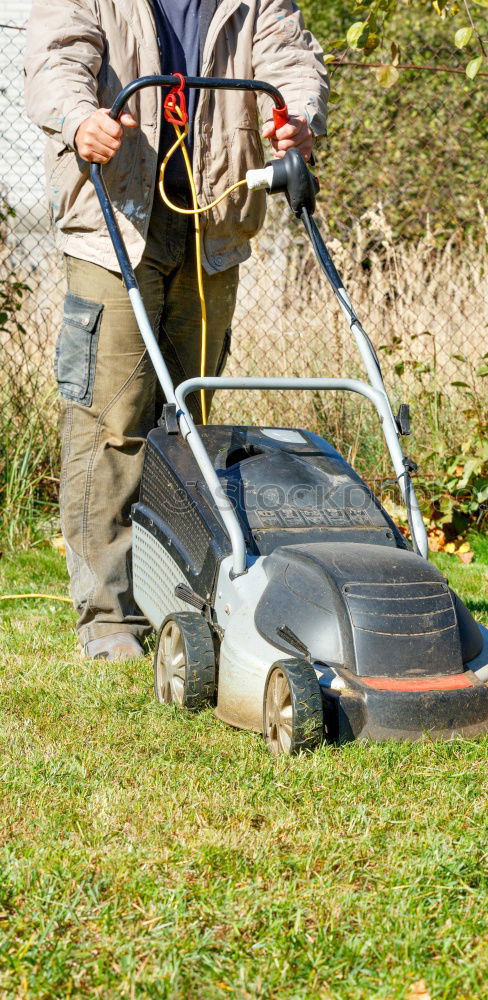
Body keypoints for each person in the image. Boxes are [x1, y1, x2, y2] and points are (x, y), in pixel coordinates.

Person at [24, 0, 328, 660]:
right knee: (111, 420)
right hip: (115, 220)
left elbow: (292, 61)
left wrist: (294, 117)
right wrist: (81, 121)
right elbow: (56, 60)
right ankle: (107, 617)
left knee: (189, 423)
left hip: (211, 221)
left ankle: (183, 602)